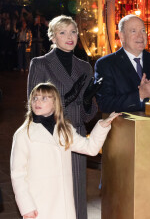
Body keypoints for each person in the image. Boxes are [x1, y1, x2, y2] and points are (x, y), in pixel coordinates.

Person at [11, 82, 120, 219]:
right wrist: (26, 206)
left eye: (44, 98)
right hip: (39, 203)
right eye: (35, 98)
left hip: (63, 203)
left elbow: (90, 148)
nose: (37, 101)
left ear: (55, 103)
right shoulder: (23, 134)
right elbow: (18, 175)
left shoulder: (64, 129)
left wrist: (102, 126)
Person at [27, 15, 99, 219]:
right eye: (62, 32)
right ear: (53, 37)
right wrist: (66, 98)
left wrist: (86, 101)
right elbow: (33, 108)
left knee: (76, 193)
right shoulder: (40, 64)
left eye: (73, 32)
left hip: (75, 135)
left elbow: (89, 115)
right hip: (49, 137)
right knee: (52, 193)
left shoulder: (84, 67)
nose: (69, 37)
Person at [94, 14, 150, 113]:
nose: (140, 36)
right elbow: (105, 104)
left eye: (143, 31)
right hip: (124, 126)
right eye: (133, 31)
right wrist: (140, 95)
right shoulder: (106, 64)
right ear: (122, 36)